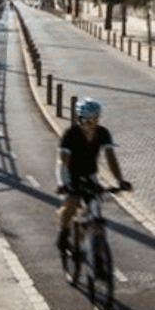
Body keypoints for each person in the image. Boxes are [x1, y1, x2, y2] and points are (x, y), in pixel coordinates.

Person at [56, 97, 129, 252]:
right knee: (72, 202)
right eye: (88, 121)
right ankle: (63, 233)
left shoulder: (103, 133)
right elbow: (63, 163)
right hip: (70, 173)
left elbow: (111, 157)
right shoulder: (70, 134)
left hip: (90, 174)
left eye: (95, 119)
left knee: (95, 210)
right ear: (80, 119)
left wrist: (120, 180)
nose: (92, 124)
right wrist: (64, 185)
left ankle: (94, 249)